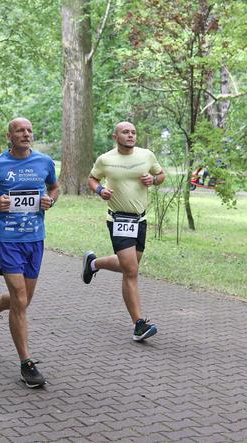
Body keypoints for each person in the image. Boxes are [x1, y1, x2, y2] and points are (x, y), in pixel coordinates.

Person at [0, 117, 59, 388]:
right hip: (8, 240)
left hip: (35, 239)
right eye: (20, 130)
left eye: (29, 130)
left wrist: (50, 200)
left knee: (23, 299)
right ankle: (26, 364)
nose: (26, 134)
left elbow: (55, 188)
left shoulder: (44, 163)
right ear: (9, 135)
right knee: (20, 300)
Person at [82, 121, 165, 341]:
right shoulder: (105, 159)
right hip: (118, 219)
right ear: (115, 136)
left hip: (141, 219)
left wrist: (153, 179)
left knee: (131, 265)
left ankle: (93, 263)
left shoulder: (147, 155)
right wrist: (100, 190)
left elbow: (161, 175)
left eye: (133, 132)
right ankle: (139, 324)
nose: (130, 135)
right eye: (125, 132)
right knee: (131, 271)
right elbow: (92, 178)